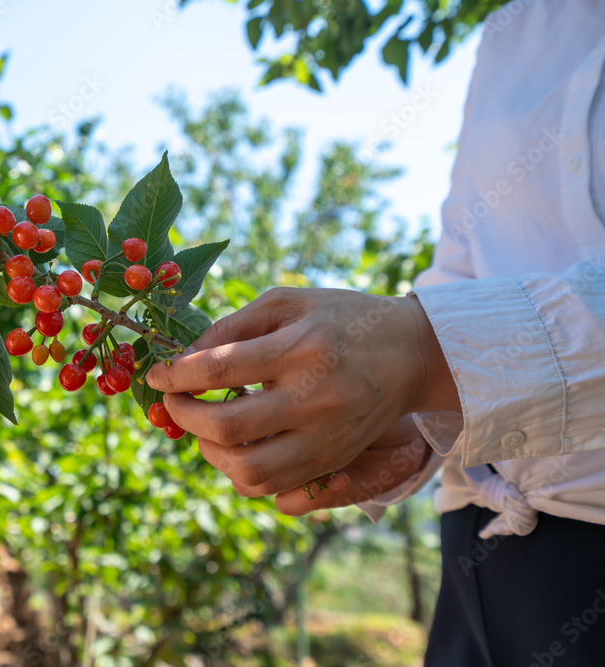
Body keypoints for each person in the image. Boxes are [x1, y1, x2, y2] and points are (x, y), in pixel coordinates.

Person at [146, 0, 605, 664]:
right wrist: (408, 419)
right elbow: (463, 270)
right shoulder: (516, 29)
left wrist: (424, 352)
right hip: (477, 553)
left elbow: (437, 335)